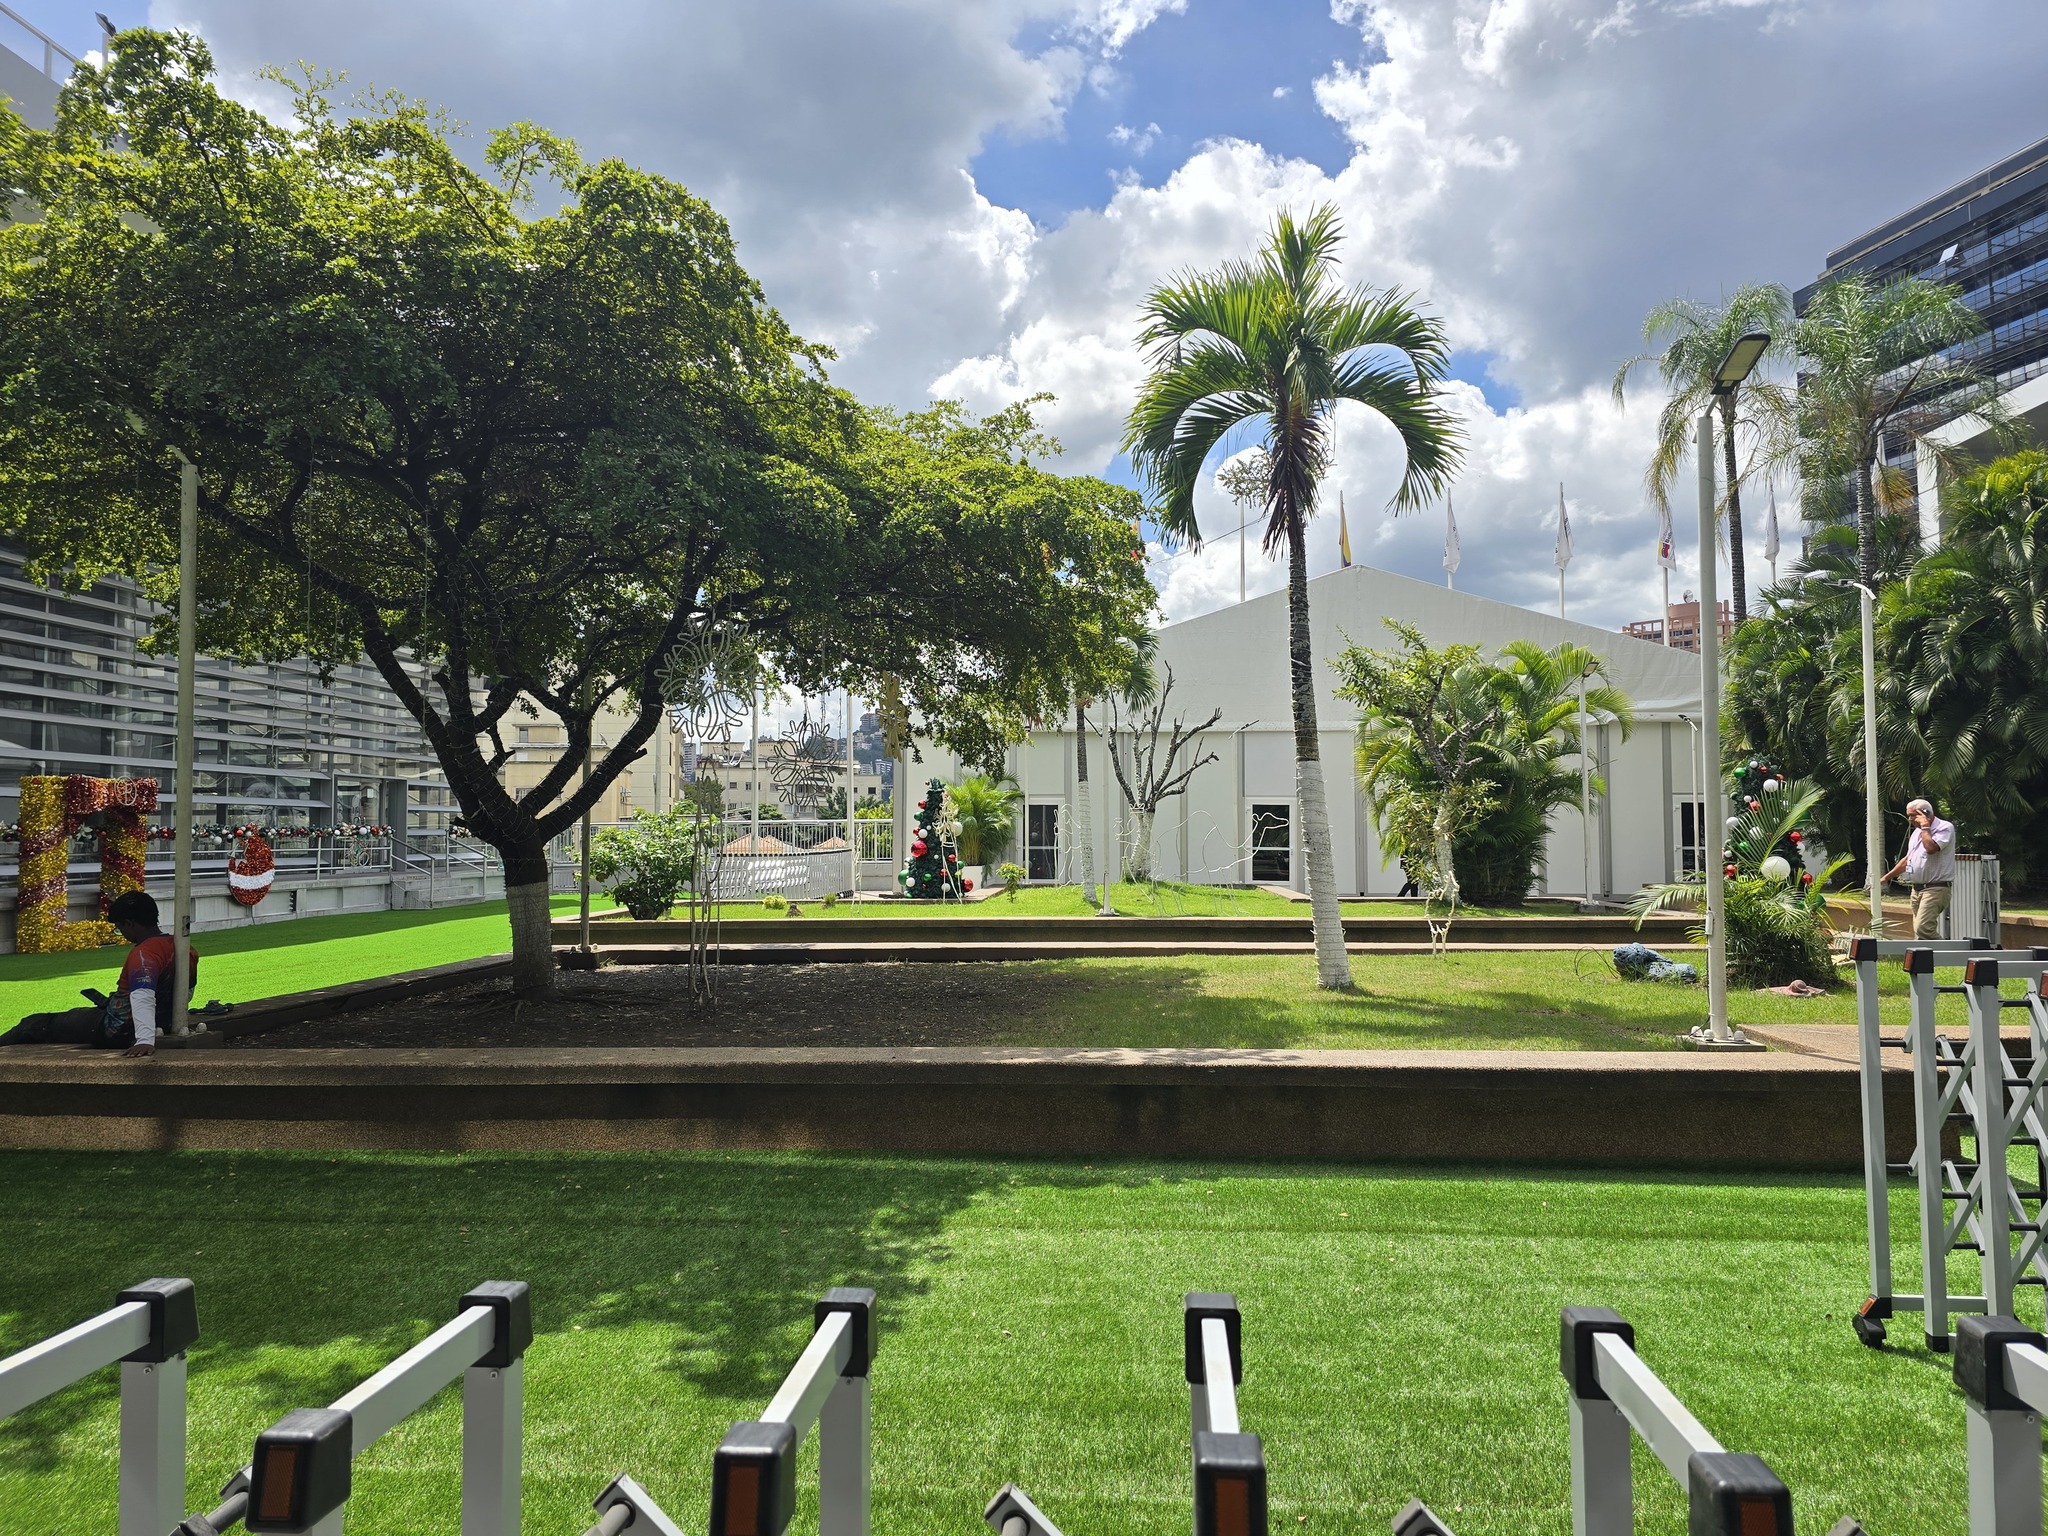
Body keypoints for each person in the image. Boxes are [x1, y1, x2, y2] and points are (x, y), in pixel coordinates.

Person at [0, 891, 195, 1057]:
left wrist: (144, 1040)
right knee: (74, 1015)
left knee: (34, 1024)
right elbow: (186, 993)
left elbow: (142, 996)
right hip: (158, 1022)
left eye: (120, 929)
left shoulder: (144, 954)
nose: (122, 935)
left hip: (116, 1029)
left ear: (129, 924)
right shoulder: (186, 949)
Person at [1883, 797, 1956, 940]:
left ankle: (1952, 954)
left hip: (1935, 888)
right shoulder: (1917, 832)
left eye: (1912, 815)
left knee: (1923, 928)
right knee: (1921, 933)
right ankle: (1928, 961)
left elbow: (1931, 848)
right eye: (1908, 815)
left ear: (1926, 813)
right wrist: (1886, 878)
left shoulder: (1944, 827)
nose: (1909, 819)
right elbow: (1907, 860)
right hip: (1916, 890)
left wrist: (1925, 827)